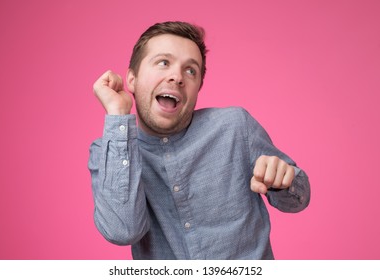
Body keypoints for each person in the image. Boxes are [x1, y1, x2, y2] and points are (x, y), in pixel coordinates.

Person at [88, 21, 310, 260]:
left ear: (197, 88)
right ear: (132, 79)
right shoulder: (109, 151)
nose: (177, 77)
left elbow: (298, 199)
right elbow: (123, 231)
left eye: (190, 70)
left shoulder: (235, 126)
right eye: (163, 62)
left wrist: (283, 181)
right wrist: (118, 114)